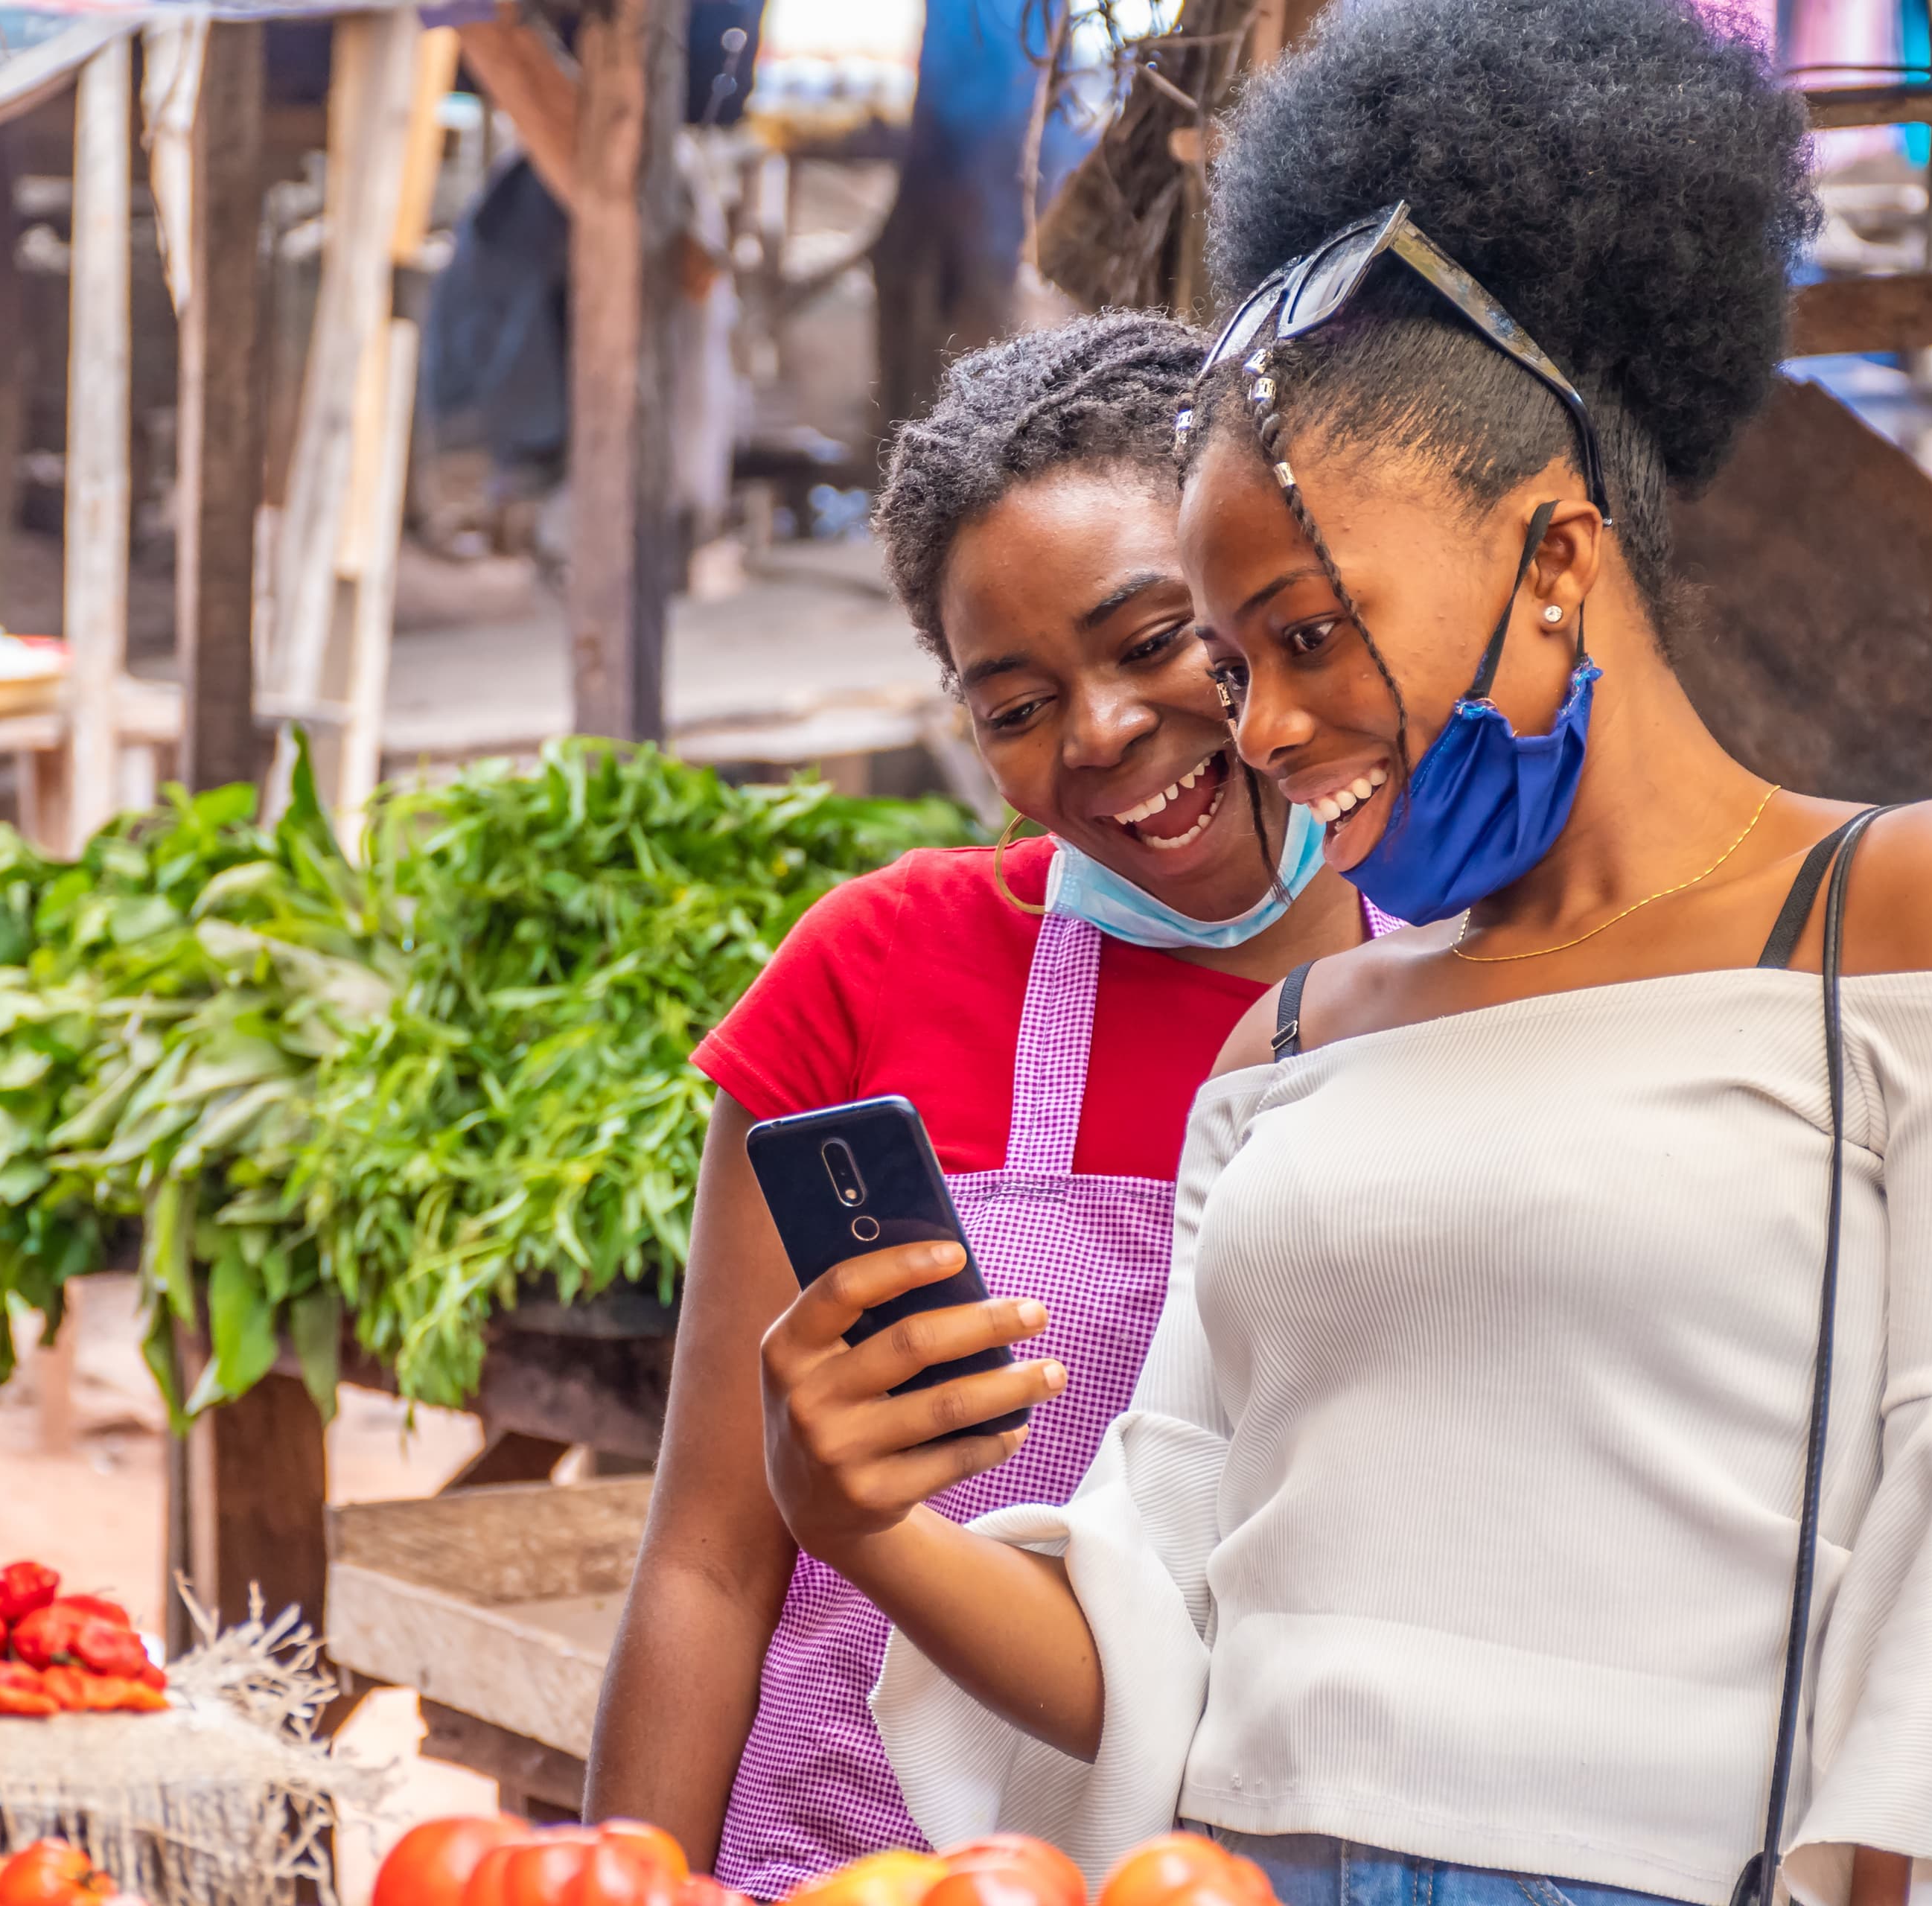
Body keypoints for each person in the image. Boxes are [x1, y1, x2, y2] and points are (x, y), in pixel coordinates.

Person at [753, 9, 1932, 1906]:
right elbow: (1153, 1635)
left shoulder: (1912, 907)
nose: (1259, 730)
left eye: (1309, 634)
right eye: (1238, 662)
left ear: (1560, 557)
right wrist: (850, 1516)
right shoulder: (1298, 1036)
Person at [584, 311, 1383, 1897]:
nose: (1101, 732)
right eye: (1015, 704)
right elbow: (709, 1556)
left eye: (1154, 637)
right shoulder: (873, 968)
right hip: (845, 1860)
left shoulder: (1471, 981)